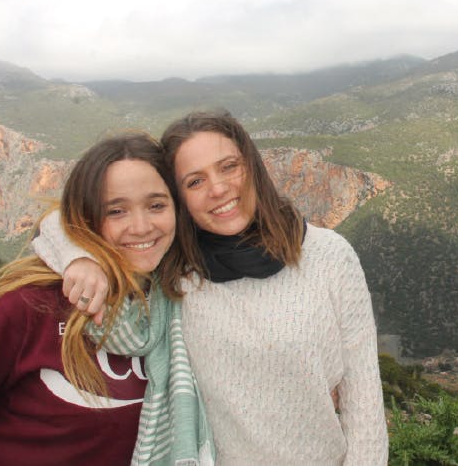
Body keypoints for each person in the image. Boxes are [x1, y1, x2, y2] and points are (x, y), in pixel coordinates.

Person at [32, 110, 389, 465]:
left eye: (229, 167)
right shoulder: (172, 267)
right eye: (195, 182)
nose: (219, 189)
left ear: (252, 166)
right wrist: (79, 259)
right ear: (177, 198)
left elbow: (365, 409)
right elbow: (58, 222)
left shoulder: (328, 255)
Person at [0, 132, 209, 465]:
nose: (141, 227)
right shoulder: (29, 305)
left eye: (156, 205)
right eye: (116, 211)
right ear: (85, 219)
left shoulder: (181, 300)